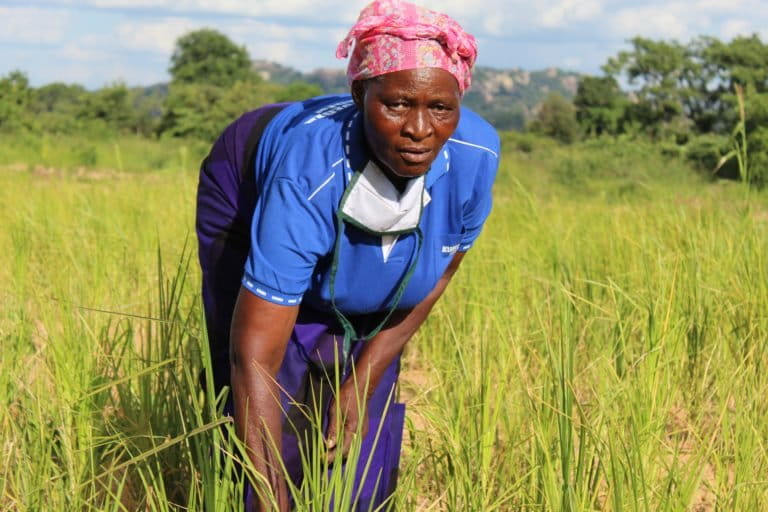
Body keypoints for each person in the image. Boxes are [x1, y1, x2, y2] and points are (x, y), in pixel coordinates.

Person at [195, 0, 500, 509]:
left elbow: (438, 273)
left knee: (359, 457)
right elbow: (255, 353)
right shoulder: (308, 173)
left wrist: (363, 379)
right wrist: (270, 500)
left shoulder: (475, 158)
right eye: (397, 104)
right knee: (263, 378)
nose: (420, 130)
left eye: (440, 108)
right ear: (360, 94)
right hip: (244, 185)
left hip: (350, 245)